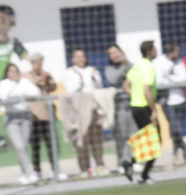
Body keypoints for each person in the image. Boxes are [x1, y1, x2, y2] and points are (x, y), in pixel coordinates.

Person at [61, 48, 110, 176]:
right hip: (78, 111)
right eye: (77, 57)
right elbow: (70, 90)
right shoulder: (69, 73)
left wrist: (93, 77)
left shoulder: (92, 70)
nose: (80, 59)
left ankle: (100, 165)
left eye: (82, 56)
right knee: (81, 140)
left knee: (96, 138)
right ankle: (85, 169)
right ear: (73, 59)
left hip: (93, 109)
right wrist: (81, 81)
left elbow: (98, 87)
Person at [123, 40, 162, 184]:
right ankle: (142, 173)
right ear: (149, 51)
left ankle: (132, 164)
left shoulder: (137, 65)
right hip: (145, 107)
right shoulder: (148, 67)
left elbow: (125, 86)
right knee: (155, 142)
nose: (156, 50)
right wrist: (154, 111)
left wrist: (135, 95)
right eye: (154, 48)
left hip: (135, 107)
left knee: (147, 140)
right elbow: (147, 90)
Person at [0, 62, 40, 185]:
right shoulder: (3, 84)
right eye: (11, 71)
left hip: (25, 115)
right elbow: (4, 96)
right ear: (7, 73)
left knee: (23, 147)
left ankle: (23, 174)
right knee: (19, 146)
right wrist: (17, 90)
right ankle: (31, 172)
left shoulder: (24, 82)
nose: (14, 74)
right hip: (11, 117)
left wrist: (25, 95)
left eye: (16, 71)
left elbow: (35, 92)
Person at [25, 52, 62, 181]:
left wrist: (49, 79)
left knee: (52, 143)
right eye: (38, 63)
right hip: (34, 115)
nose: (40, 65)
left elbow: (53, 87)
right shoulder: (27, 75)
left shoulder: (46, 74)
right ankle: (37, 171)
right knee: (35, 145)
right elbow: (33, 85)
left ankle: (55, 169)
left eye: (41, 63)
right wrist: (41, 78)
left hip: (48, 114)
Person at [105, 44, 138, 176]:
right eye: (111, 53)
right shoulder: (109, 69)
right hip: (119, 105)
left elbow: (137, 76)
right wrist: (124, 67)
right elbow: (113, 79)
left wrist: (126, 64)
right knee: (122, 136)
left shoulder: (132, 65)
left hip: (133, 103)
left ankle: (134, 161)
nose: (114, 55)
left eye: (116, 52)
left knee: (134, 134)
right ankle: (122, 162)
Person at [154, 42, 186, 165]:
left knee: (176, 128)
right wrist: (173, 80)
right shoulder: (159, 62)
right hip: (167, 101)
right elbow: (159, 81)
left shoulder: (179, 62)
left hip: (180, 100)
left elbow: (184, 79)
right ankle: (180, 151)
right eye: (177, 51)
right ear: (170, 52)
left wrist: (169, 77)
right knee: (175, 128)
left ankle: (179, 153)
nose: (179, 53)